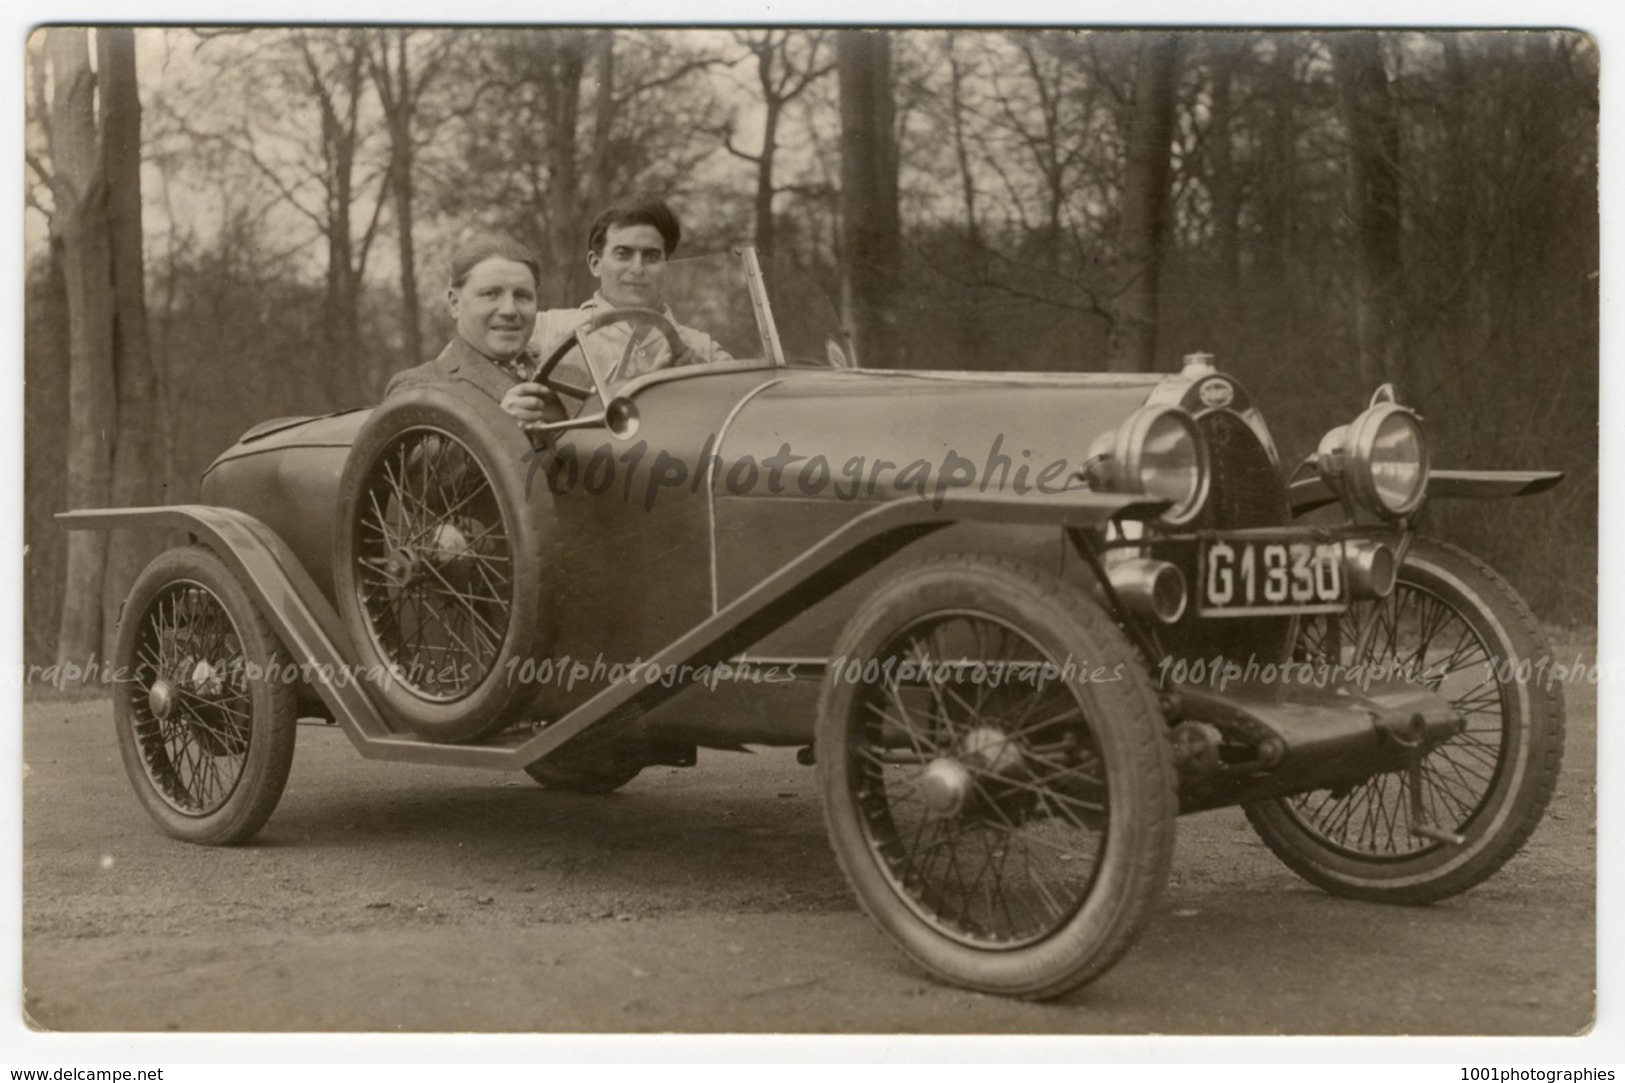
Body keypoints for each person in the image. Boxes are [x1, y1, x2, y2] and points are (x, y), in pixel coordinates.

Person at [501, 198, 732, 424]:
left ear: (666, 269)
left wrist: (701, 385)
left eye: (652, 257)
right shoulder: (545, 329)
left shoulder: (703, 350)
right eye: (623, 254)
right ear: (595, 263)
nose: (637, 268)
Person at [386, 234, 554, 416]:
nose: (509, 310)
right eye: (491, 293)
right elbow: (415, 446)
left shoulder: (574, 380)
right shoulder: (420, 388)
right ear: (455, 304)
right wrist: (502, 425)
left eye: (522, 296)